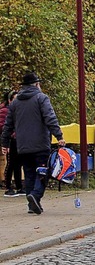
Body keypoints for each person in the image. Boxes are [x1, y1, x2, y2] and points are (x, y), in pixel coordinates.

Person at [1, 72, 65, 214]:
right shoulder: (41, 98)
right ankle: (35, 195)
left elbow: (8, 125)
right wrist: (59, 135)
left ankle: (32, 205)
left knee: (29, 173)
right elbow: (50, 118)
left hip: (22, 145)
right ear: (36, 84)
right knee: (43, 172)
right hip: (40, 144)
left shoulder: (15, 103)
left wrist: (4, 143)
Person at [2, 89, 25, 197]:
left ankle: (19, 186)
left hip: (19, 139)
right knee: (11, 163)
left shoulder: (19, 111)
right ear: (10, 100)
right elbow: (4, 127)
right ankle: (8, 186)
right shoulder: (5, 111)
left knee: (18, 164)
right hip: (12, 139)